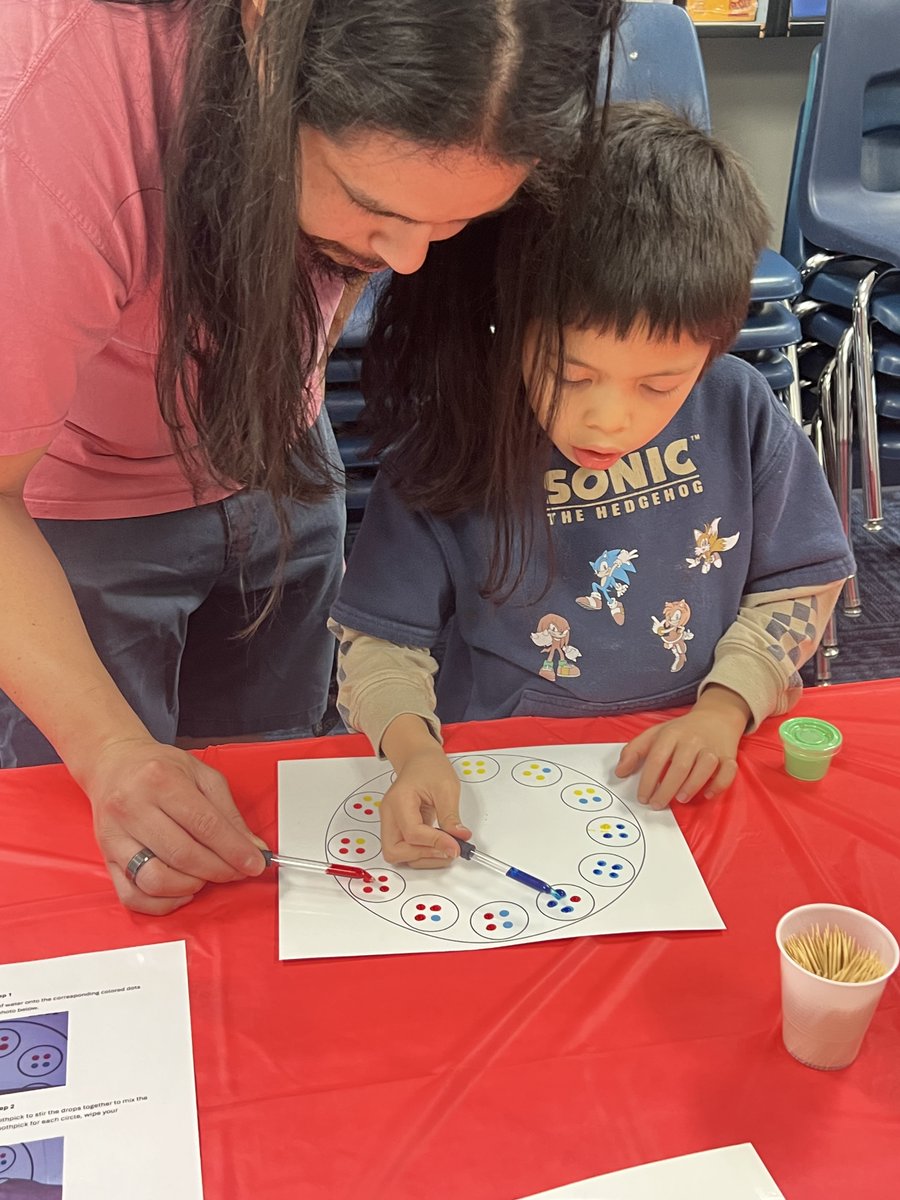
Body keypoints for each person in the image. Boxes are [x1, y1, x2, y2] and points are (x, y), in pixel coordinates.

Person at [0, 0, 622, 913]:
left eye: (451, 223)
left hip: (277, 465)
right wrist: (113, 753)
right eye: (371, 206)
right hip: (64, 524)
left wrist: (285, 390)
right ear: (263, 34)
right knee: (122, 857)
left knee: (271, 820)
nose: (406, 260)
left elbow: (338, 288)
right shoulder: (56, 115)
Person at [329, 103, 855, 867]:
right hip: (500, 777)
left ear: (712, 351)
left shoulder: (736, 410)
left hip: (687, 767)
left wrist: (726, 706)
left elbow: (801, 585)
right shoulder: (453, 442)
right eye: (572, 375)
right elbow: (379, 642)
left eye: (659, 385)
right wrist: (412, 752)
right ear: (514, 321)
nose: (606, 422)